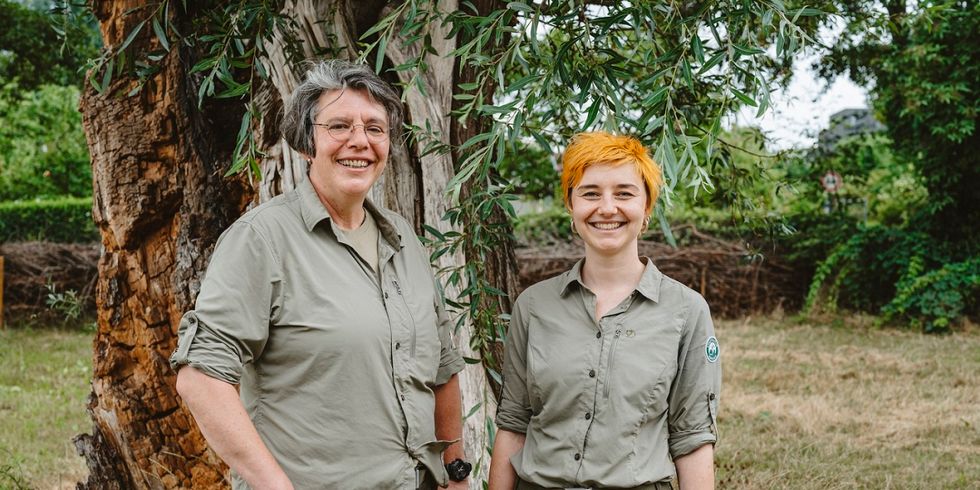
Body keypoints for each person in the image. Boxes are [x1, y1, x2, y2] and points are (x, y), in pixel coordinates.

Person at [170, 60, 472, 490]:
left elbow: (442, 366)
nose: (359, 141)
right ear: (306, 142)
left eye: (375, 128)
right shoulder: (262, 240)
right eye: (340, 126)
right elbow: (201, 377)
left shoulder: (402, 237)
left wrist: (456, 472)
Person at [488, 132, 721, 490]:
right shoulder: (533, 306)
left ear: (646, 208)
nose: (607, 208)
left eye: (624, 193)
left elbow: (692, 438)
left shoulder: (686, 311)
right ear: (571, 204)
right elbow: (514, 423)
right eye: (590, 193)